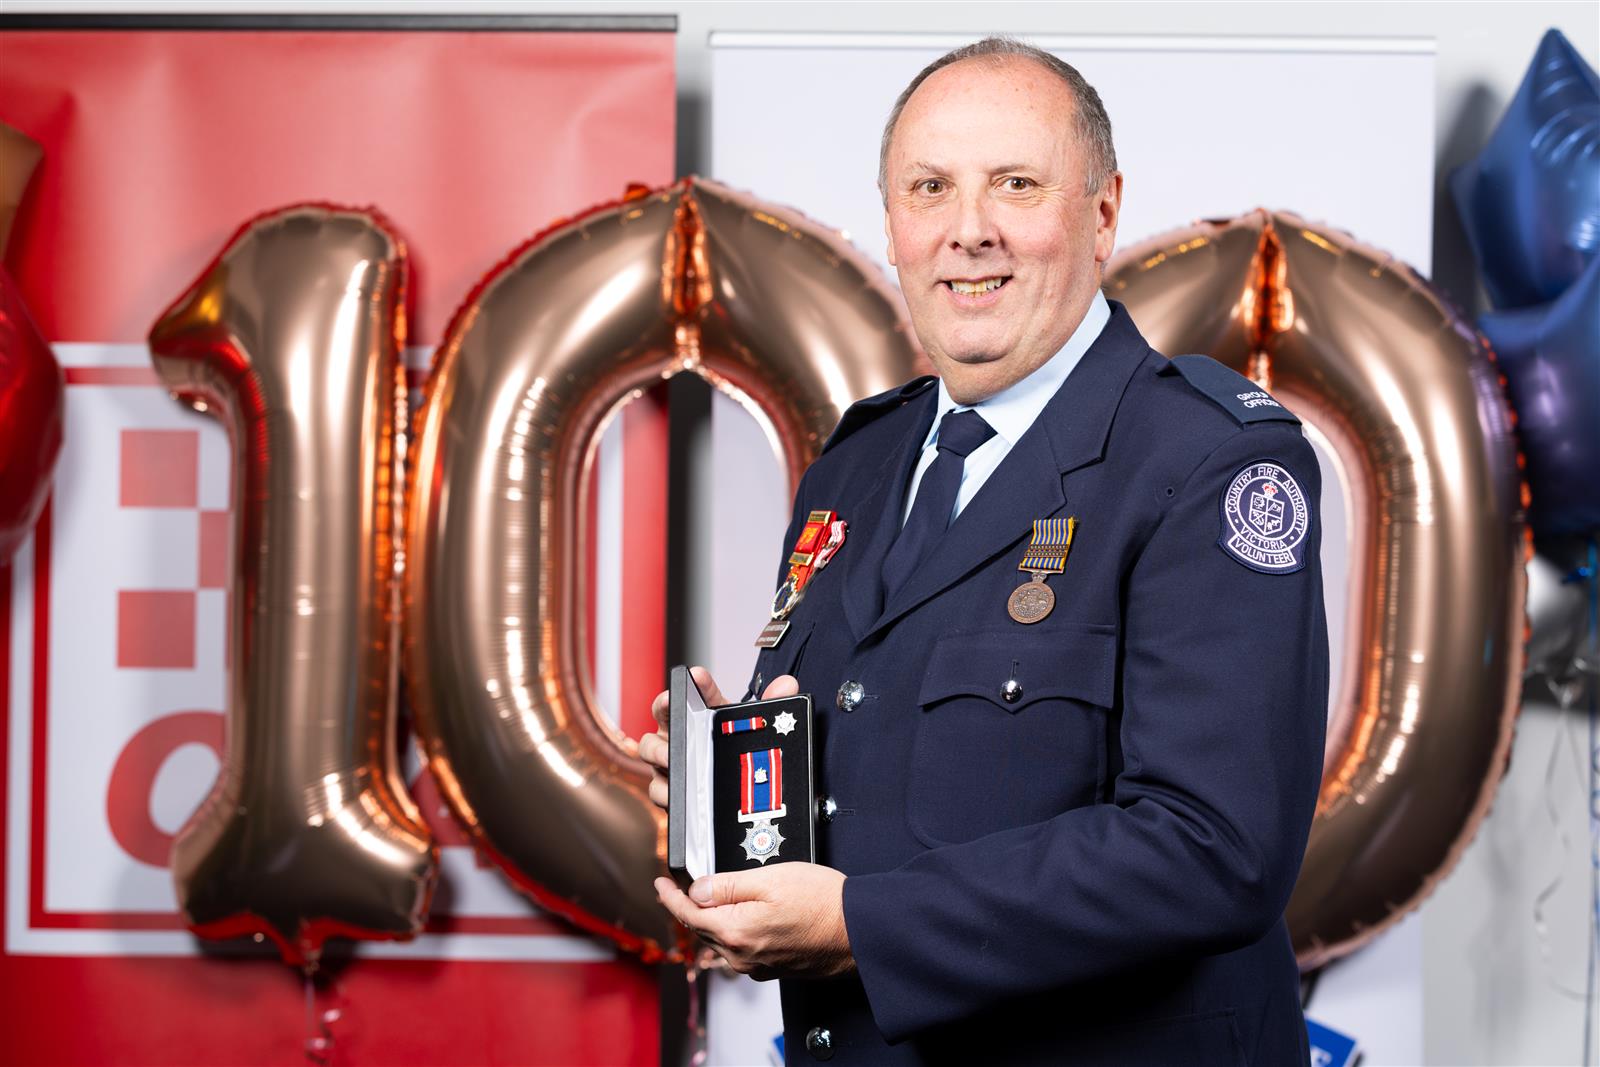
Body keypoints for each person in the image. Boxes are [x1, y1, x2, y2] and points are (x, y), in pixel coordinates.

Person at [638, 35, 1327, 1067]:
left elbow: (1210, 848)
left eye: (1014, 184)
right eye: (929, 188)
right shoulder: (859, 465)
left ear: (1099, 213)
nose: (967, 232)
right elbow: (882, 771)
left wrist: (857, 923)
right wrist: (734, 804)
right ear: (892, 221)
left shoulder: (1205, 462)